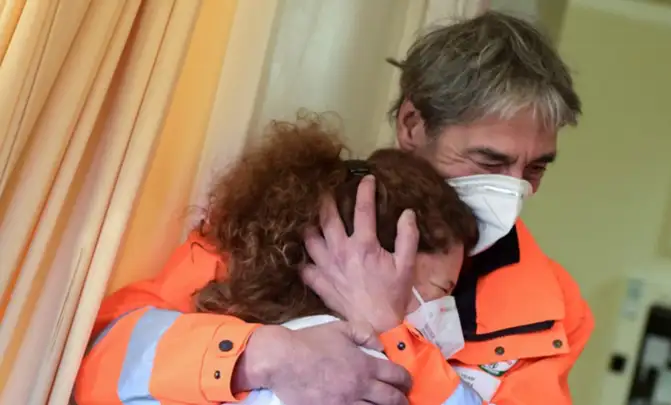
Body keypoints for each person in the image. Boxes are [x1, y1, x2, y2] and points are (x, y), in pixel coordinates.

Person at [75, 10, 593, 405]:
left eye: (535, 169)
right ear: (413, 125)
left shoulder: (550, 304)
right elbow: (95, 362)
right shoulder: (287, 214)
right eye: (488, 160)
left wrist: (391, 331)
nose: (513, 189)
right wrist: (263, 357)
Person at [188, 119, 482, 404]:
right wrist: (397, 339)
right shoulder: (361, 375)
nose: (447, 312)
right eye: (442, 290)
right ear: (373, 262)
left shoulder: (230, 352)